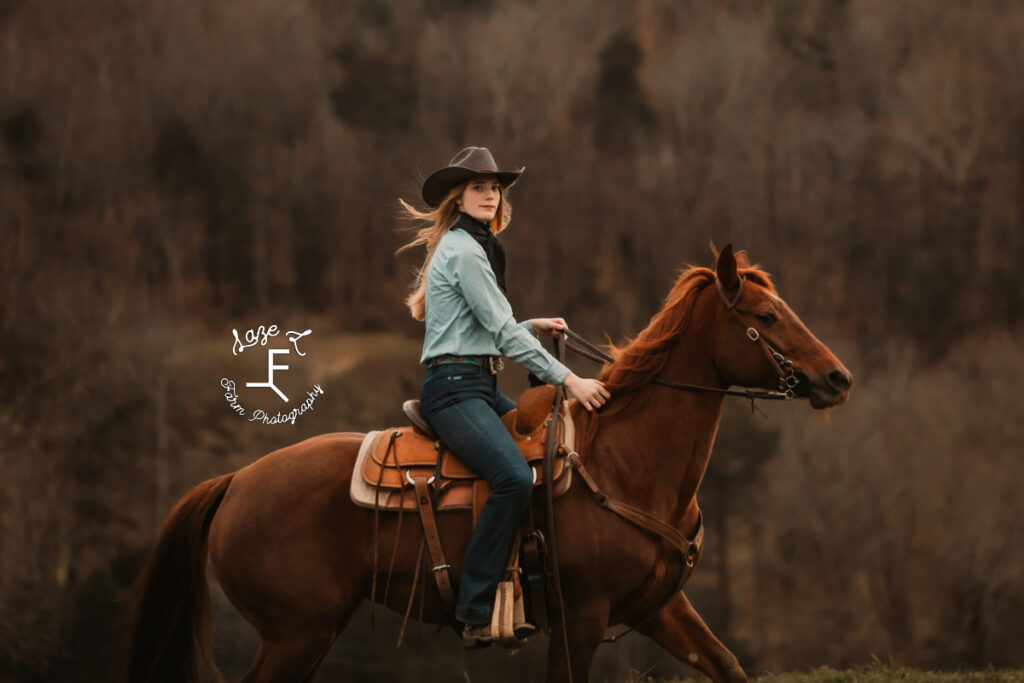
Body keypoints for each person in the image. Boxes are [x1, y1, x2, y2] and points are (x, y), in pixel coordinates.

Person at [398, 147, 609, 646]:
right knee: (514, 477)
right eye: (479, 187)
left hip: (477, 384)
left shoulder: (472, 245)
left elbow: (486, 327)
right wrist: (569, 379)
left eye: (496, 188)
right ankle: (473, 607)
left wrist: (530, 325)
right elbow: (498, 332)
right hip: (453, 389)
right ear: (458, 196)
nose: (490, 195)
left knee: (551, 454)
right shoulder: (465, 250)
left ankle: (527, 578)